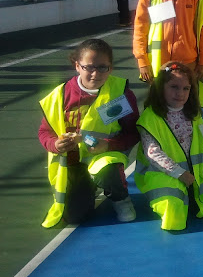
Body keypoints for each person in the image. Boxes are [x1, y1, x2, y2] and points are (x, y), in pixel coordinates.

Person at [38, 39, 139, 227]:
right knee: (74, 217)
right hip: (72, 162)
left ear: (111, 68)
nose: (95, 73)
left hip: (103, 156)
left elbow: (133, 133)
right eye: (89, 67)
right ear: (77, 66)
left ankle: (121, 199)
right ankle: (87, 186)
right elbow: (45, 131)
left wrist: (108, 145)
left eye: (102, 67)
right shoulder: (60, 95)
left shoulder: (119, 93)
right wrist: (55, 144)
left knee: (108, 171)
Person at [135, 62, 203, 230]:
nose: (180, 93)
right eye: (174, 87)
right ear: (160, 88)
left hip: (193, 174)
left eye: (186, 88)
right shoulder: (150, 118)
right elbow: (153, 153)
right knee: (174, 210)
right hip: (162, 175)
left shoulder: (193, 114)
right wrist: (179, 174)